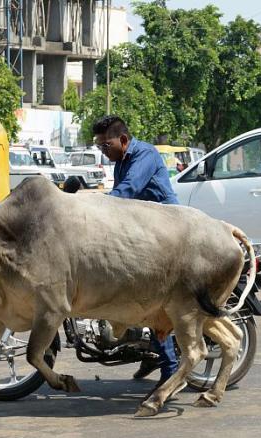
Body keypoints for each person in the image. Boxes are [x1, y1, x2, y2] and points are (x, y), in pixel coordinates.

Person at [92, 115, 179, 387]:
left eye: (105, 146)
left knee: (148, 296)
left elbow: (127, 192)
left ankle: (170, 368)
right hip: (142, 232)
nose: (104, 153)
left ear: (124, 140)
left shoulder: (145, 155)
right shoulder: (121, 161)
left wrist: (92, 209)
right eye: (99, 148)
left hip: (166, 232)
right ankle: (145, 348)